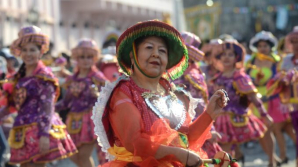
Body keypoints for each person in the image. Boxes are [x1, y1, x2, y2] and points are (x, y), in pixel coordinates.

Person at [92, 20, 229, 167]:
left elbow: (185, 138)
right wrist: (179, 154)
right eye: (149, 48)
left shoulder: (171, 92)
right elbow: (135, 143)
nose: (156, 54)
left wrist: (209, 114)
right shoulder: (124, 93)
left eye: (162, 51)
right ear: (133, 56)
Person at [0, 26, 77, 167]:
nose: (28, 54)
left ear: (40, 51)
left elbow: (47, 107)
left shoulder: (44, 77)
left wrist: (44, 134)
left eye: (32, 50)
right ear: (20, 52)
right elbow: (13, 105)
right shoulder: (19, 77)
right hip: (21, 132)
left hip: (39, 131)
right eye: (25, 50)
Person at [210, 41, 275, 166]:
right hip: (220, 118)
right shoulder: (217, 78)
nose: (226, 57)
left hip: (238, 116)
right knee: (224, 150)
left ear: (236, 58)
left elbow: (253, 96)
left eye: (230, 54)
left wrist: (264, 114)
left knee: (265, 131)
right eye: (223, 54)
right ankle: (237, 157)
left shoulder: (239, 76)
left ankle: (272, 160)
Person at [56, 39, 108, 167]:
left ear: (94, 58)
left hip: (90, 120)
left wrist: (98, 96)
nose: (86, 60)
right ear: (77, 59)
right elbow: (66, 101)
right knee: (72, 155)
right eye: (82, 57)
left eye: (89, 57)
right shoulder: (72, 79)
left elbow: (109, 96)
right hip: (72, 121)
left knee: (84, 156)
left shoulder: (98, 77)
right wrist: (51, 108)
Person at [246, 31, 294, 165]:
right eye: (260, 46)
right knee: (259, 132)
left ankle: (279, 157)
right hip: (255, 100)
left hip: (273, 99)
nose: (262, 48)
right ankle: (272, 157)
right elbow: (245, 77)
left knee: (276, 129)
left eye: (265, 46)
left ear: (270, 46)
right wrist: (253, 81)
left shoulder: (276, 61)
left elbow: (281, 77)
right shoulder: (251, 60)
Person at [173, 32, 222, 158]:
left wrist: (210, 130)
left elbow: (199, 103)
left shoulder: (191, 74)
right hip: (175, 127)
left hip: (192, 128)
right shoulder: (175, 70)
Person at [279, 26, 298, 166]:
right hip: (293, 104)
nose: (296, 45)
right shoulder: (287, 60)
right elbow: (281, 78)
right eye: (294, 41)